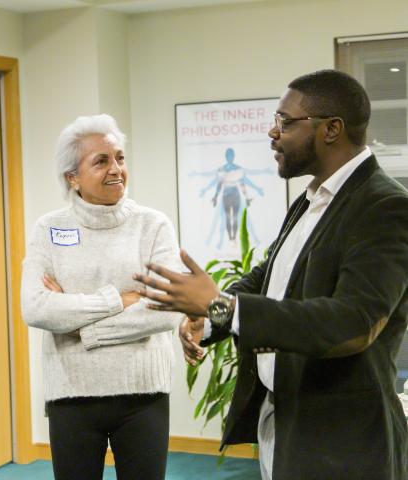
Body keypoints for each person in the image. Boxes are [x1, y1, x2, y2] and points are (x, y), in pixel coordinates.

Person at [134, 70, 408, 480]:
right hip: (283, 418)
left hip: (341, 439)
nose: (272, 132)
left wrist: (222, 306)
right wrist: (209, 319)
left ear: (331, 129)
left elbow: (352, 323)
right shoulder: (312, 198)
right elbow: (271, 275)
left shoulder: (384, 207)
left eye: (284, 121)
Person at [21, 114, 182, 480]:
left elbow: (167, 309)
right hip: (72, 395)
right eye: (102, 160)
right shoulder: (49, 228)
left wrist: (82, 329)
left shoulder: (153, 224)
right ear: (72, 177)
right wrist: (119, 300)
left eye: (120, 158)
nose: (117, 170)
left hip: (144, 393)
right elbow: (36, 306)